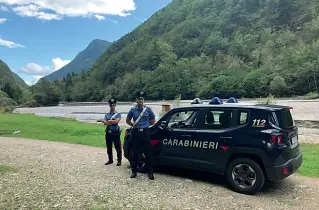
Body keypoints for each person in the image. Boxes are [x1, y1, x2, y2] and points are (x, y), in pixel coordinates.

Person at [126, 91, 156, 180]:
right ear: (136, 100)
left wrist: (145, 126)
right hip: (136, 133)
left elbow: (153, 120)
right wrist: (134, 126)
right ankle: (134, 172)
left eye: (142, 99)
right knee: (135, 153)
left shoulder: (148, 110)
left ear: (144, 100)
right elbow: (128, 120)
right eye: (139, 99)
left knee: (148, 153)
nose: (140, 100)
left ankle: (150, 173)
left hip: (145, 133)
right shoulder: (132, 110)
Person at [103, 98, 122, 166]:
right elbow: (104, 123)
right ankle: (110, 160)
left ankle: (119, 160)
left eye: (113, 105)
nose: (112, 106)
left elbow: (116, 121)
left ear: (115, 105)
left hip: (115, 132)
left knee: (118, 147)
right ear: (109, 106)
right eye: (111, 105)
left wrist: (108, 121)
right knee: (109, 147)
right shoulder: (107, 114)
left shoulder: (118, 114)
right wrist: (112, 122)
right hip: (108, 132)